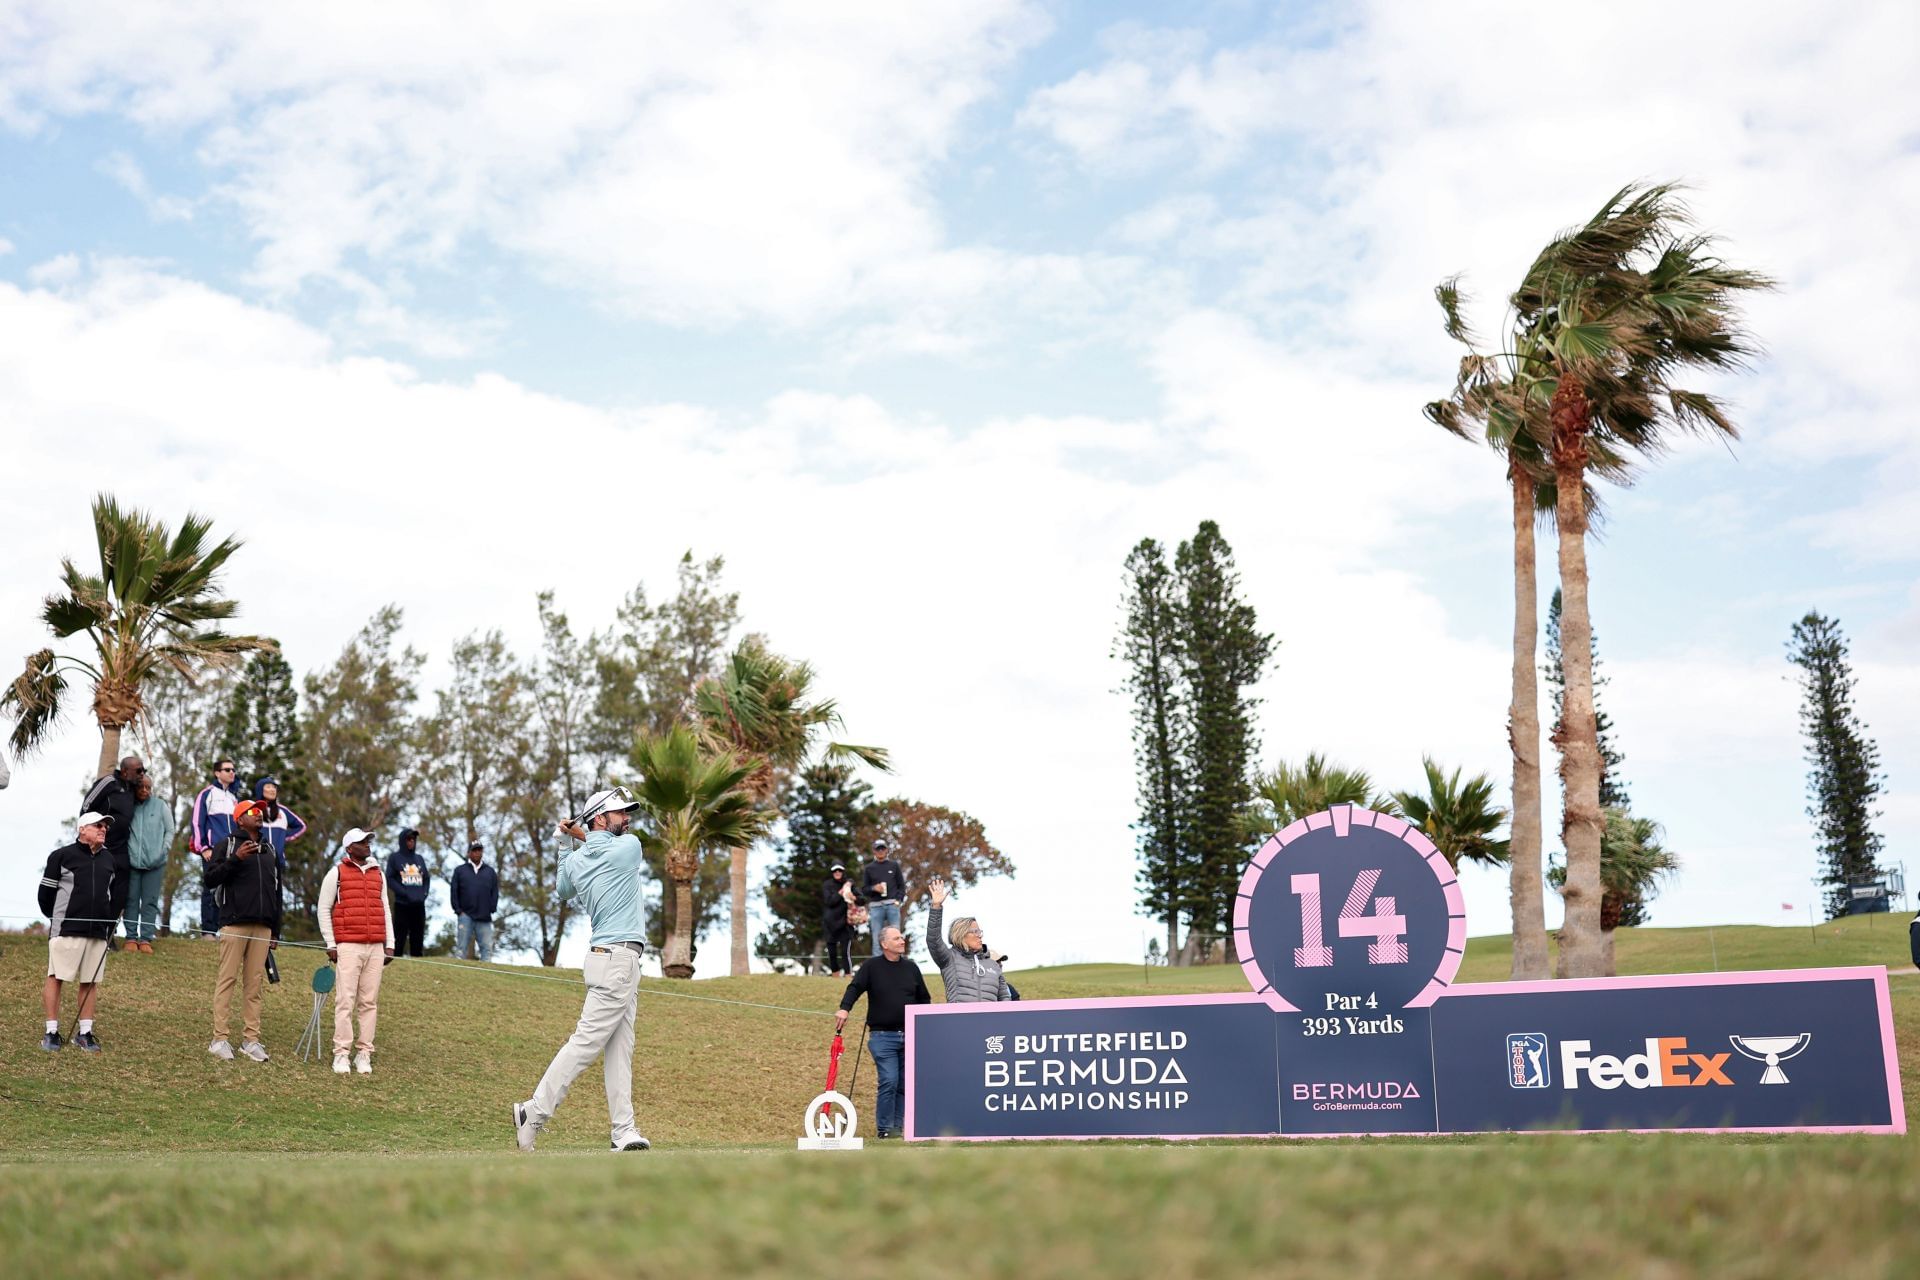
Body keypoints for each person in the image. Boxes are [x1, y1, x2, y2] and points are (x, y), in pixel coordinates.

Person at [513, 788, 651, 1154]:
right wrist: (577, 837)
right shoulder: (629, 848)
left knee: (620, 1049)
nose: (628, 818)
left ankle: (623, 1131)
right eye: (621, 812)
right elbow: (605, 846)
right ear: (601, 818)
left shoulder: (575, 860)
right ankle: (534, 1110)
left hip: (611, 959)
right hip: (617, 959)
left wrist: (565, 844)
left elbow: (562, 888)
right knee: (585, 1044)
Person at [205, 800, 282, 1062]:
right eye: (252, 811)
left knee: (255, 985)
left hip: (263, 927)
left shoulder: (270, 849)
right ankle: (220, 1039)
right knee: (227, 980)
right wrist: (235, 860)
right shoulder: (226, 845)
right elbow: (210, 879)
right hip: (234, 923)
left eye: (260, 811)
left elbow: (277, 890)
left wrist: (276, 929)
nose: (258, 814)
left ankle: (251, 1041)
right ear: (240, 820)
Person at [835, 925, 929, 1139]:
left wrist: (924, 1025)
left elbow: (924, 998)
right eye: (897, 938)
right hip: (882, 1037)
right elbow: (855, 988)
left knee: (904, 1083)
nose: (902, 941)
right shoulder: (871, 967)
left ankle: (897, 1128)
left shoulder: (912, 968)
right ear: (884, 944)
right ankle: (885, 1128)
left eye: (902, 937)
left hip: (910, 1035)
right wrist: (844, 1008)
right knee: (889, 1079)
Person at [37, 811, 118, 1051]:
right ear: (82, 829)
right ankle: (51, 1032)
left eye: (105, 826)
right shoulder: (61, 856)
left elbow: (110, 895)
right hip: (67, 929)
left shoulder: (109, 860)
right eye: (97, 825)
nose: (103, 829)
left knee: (90, 981)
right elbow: (45, 896)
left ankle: (85, 1033)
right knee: (56, 976)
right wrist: (58, 919)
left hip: (98, 932)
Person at [318, 827, 395, 1075]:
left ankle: (364, 1053)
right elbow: (323, 908)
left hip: (375, 946)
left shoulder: (378, 874)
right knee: (345, 1001)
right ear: (350, 848)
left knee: (369, 1002)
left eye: (368, 841)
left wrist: (389, 943)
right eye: (362, 842)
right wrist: (331, 943)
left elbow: (385, 910)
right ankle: (341, 1054)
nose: (367, 844)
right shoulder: (336, 873)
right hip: (348, 945)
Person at [80, 755, 140, 945]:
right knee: (100, 891)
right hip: (103, 847)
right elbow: (86, 806)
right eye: (139, 771)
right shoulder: (109, 782)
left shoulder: (133, 788)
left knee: (120, 894)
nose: (142, 774)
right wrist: (92, 834)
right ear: (125, 771)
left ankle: (108, 933)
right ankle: (93, 931)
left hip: (122, 848)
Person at [924, 877, 1012, 1003]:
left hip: (990, 1022)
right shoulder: (949, 959)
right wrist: (936, 907)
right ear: (961, 934)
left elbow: (1005, 997)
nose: (979, 935)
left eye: (980, 932)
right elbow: (933, 939)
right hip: (959, 1021)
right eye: (975, 932)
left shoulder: (994, 965)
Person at [189, 759, 245, 937]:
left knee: (231, 890)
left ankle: (226, 929)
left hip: (233, 851)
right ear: (217, 773)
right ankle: (208, 931)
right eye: (227, 769)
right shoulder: (207, 794)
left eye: (233, 769)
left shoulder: (234, 798)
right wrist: (203, 847)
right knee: (211, 889)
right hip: (213, 850)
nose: (231, 772)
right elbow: (197, 822)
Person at [123, 774, 173, 953]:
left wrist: (163, 850)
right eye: (141, 787)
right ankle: (130, 937)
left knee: (150, 901)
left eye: (148, 787)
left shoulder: (160, 805)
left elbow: (169, 830)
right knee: (131, 900)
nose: (145, 790)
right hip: (132, 863)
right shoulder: (128, 805)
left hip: (156, 864)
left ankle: (145, 939)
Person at [451, 839, 500, 963]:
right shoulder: (460, 870)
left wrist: (492, 908)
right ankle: (458, 973)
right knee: (461, 949)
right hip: (465, 915)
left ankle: (486, 976)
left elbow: (495, 892)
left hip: (484, 917)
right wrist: (458, 910)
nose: (477, 853)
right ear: (469, 853)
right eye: (474, 850)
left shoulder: (490, 872)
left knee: (487, 950)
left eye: (479, 850)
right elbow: (454, 892)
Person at [387, 827, 430, 957]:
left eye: (413, 839)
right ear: (403, 841)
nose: (411, 842)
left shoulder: (419, 858)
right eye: (409, 839)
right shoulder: (395, 858)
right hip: (402, 904)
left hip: (418, 905)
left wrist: (424, 894)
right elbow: (389, 878)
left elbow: (426, 878)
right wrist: (404, 893)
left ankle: (417, 961)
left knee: (418, 936)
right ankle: (395, 960)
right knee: (399, 935)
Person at [252, 776, 307, 873]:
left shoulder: (283, 811)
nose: (272, 790)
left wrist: (284, 837)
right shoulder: (252, 810)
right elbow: (241, 823)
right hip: (255, 862)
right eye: (268, 787)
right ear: (260, 790)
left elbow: (301, 826)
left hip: (277, 863)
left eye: (274, 787)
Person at [860, 838, 905, 941]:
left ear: (886, 850)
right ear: (874, 851)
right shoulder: (869, 868)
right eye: (878, 849)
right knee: (877, 938)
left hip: (892, 905)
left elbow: (901, 886)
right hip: (876, 907)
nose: (880, 851)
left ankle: (897, 957)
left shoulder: (894, 865)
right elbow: (864, 890)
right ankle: (878, 957)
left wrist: (898, 901)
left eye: (882, 849)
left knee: (896, 936)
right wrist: (873, 888)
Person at [821, 863, 855, 977]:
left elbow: (861, 898)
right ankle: (835, 976)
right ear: (832, 873)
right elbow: (829, 901)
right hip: (830, 923)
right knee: (832, 953)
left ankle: (848, 976)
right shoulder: (827, 885)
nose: (837, 873)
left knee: (846, 952)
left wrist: (850, 887)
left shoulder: (849, 884)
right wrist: (840, 892)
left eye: (840, 871)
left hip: (845, 923)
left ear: (843, 872)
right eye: (835, 871)